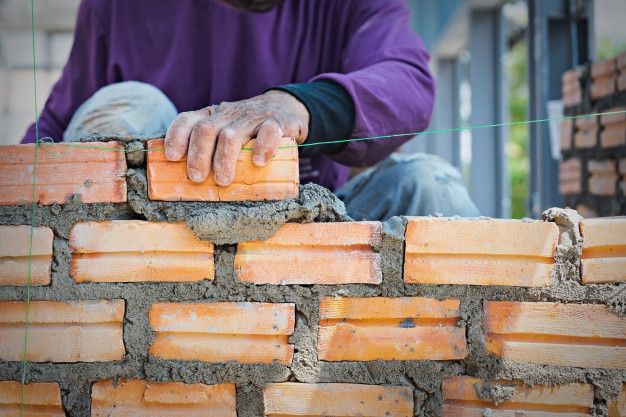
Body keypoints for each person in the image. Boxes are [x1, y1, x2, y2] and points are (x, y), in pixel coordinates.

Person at [21, 0, 479, 220]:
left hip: (302, 242)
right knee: (139, 106)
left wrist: (298, 105)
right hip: (147, 247)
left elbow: (407, 83)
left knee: (428, 185)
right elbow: (55, 126)